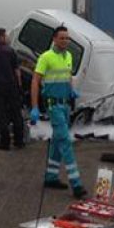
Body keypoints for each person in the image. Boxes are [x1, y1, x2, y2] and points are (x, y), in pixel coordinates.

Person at [30, 26, 87, 199]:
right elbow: (35, 81)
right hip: (53, 106)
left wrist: (71, 90)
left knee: (57, 141)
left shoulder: (68, 56)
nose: (65, 41)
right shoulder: (45, 57)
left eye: (67, 38)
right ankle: (76, 184)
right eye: (62, 38)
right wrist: (34, 107)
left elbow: (68, 75)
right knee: (65, 141)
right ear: (54, 39)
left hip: (65, 105)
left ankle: (51, 177)